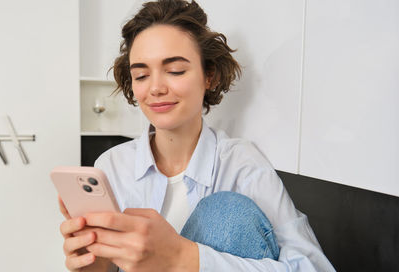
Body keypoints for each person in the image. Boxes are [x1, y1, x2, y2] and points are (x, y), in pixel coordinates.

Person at [58, 0, 334, 271]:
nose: (155, 88)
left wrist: (184, 259)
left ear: (209, 76)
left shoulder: (240, 164)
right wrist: (95, 265)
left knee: (225, 213)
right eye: (141, 75)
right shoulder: (112, 166)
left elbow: (313, 266)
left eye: (175, 70)